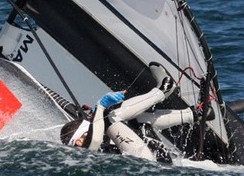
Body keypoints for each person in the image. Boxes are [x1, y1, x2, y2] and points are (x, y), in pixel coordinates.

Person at [60, 63, 199, 162]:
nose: (97, 131)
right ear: (78, 141)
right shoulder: (85, 152)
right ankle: (162, 91)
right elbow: (94, 140)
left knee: (137, 121)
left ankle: (193, 114)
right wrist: (101, 107)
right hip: (151, 164)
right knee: (110, 119)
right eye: (88, 131)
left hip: (159, 161)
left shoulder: (95, 154)